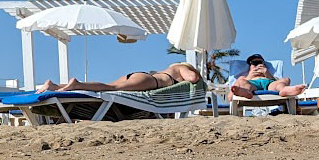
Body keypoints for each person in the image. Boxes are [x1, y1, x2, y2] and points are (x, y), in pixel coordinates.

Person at [35, 62, 202, 93]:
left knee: (107, 85)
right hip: (151, 81)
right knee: (111, 89)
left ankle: (54, 86)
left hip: (142, 75)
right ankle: (77, 85)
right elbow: (193, 78)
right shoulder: (180, 67)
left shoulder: (168, 69)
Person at [230, 54, 305, 98]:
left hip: (269, 84)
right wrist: (250, 76)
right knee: (241, 81)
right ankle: (245, 92)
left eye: (259, 63)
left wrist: (267, 73)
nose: (257, 66)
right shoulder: (245, 77)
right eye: (254, 63)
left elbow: (276, 81)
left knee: (285, 79)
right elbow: (232, 92)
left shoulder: (269, 74)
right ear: (249, 67)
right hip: (253, 84)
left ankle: (283, 90)